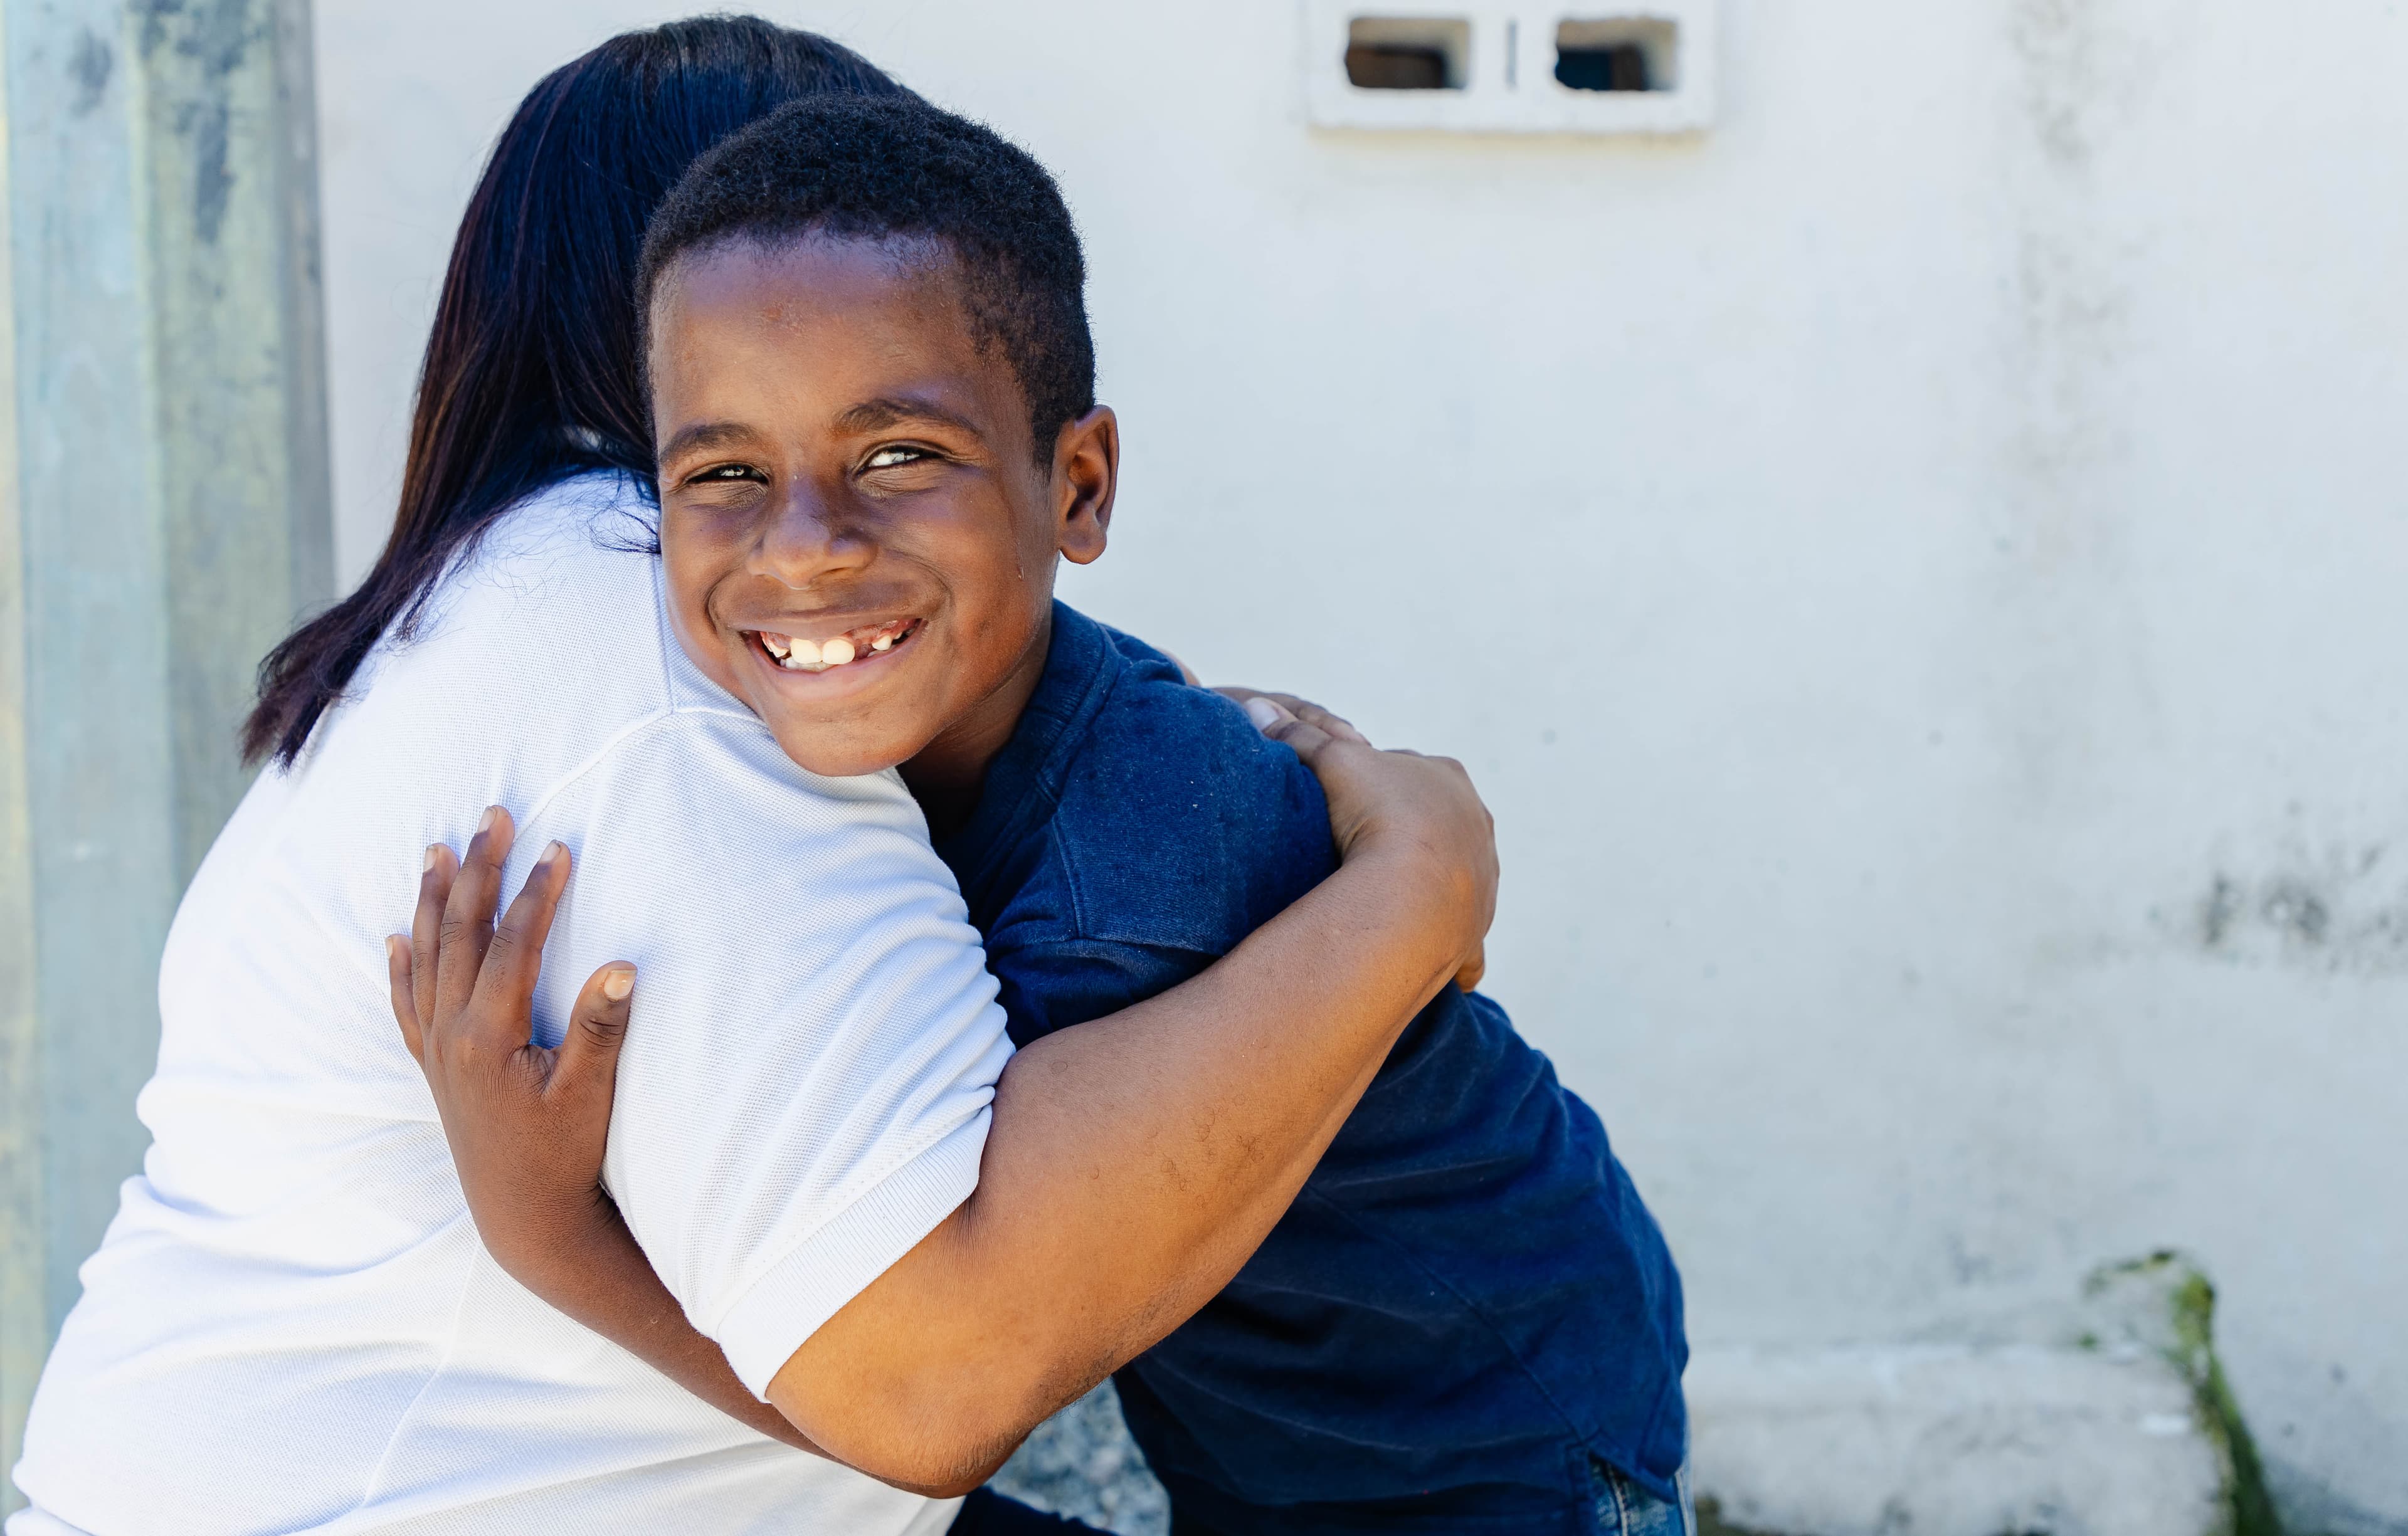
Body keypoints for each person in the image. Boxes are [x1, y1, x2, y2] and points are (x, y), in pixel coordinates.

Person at [4, 22, 1492, 1535]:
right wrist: (1416, 889)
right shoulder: (642, 638)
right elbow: (936, 1382)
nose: (810, 540)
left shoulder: (501, 607)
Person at [401, 93, 1692, 1535]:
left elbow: (911, 1390)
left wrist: (550, 1227)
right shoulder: (992, 739)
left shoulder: (1123, 902)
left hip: (1495, 1469)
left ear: (1076, 486)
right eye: (726, 473)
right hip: (1297, 1448)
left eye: (897, 456)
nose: (806, 545)